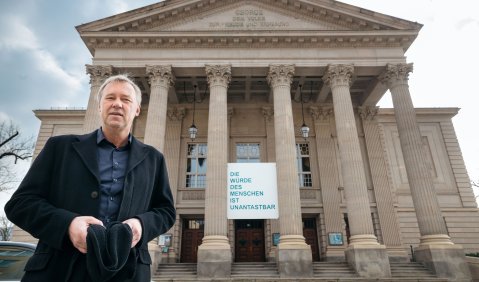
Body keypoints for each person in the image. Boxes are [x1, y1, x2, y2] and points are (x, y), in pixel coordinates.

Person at [5, 74, 176, 282]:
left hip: (127, 271)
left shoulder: (153, 159)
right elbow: (20, 204)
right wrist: (68, 225)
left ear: (137, 109)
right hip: (61, 269)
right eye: (110, 98)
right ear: (99, 106)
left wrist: (141, 225)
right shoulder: (60, 148)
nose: (117, 104)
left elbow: (165, 211)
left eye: (126, 99)